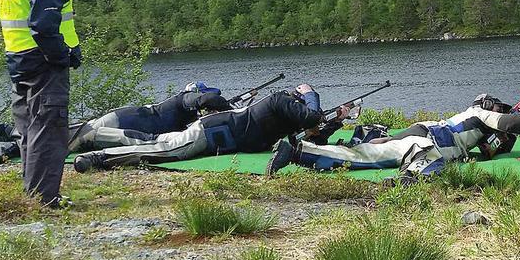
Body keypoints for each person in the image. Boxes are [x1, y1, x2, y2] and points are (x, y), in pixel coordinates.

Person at [266, 94, 520, 182]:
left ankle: (297, 151)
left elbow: (488, 149)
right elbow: (511, 122)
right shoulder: (479, 116)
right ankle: (297, 152)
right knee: (371, 160)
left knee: (363, 154)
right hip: (426, 144)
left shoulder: (470, 120)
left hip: (418, 135)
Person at [0, 0, 82, 208]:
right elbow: (44, 25)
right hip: (44, 61)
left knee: (28, 127)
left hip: (18, 58)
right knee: (49, 126)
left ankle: (33, 195)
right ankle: (45, 199)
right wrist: (63, 56)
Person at [72, 84, 350, 171]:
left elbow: (311, 137)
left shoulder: (283, 123)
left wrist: (336, 121)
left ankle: (97, 139)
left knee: (157, 142)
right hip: (211, 131)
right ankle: (98, 155)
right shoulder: (279, 100)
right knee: (164, 150)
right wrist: (312, 94)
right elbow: (312, 118)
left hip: (214, 133)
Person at [0, 81, 233, 161]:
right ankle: (11, 140)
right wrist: (226, 106)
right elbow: (208, 98)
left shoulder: (184, 110)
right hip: (123, 123)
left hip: (122, 118)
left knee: (69, 135)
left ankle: (13, 138)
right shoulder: (185, 99)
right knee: (68, 142)